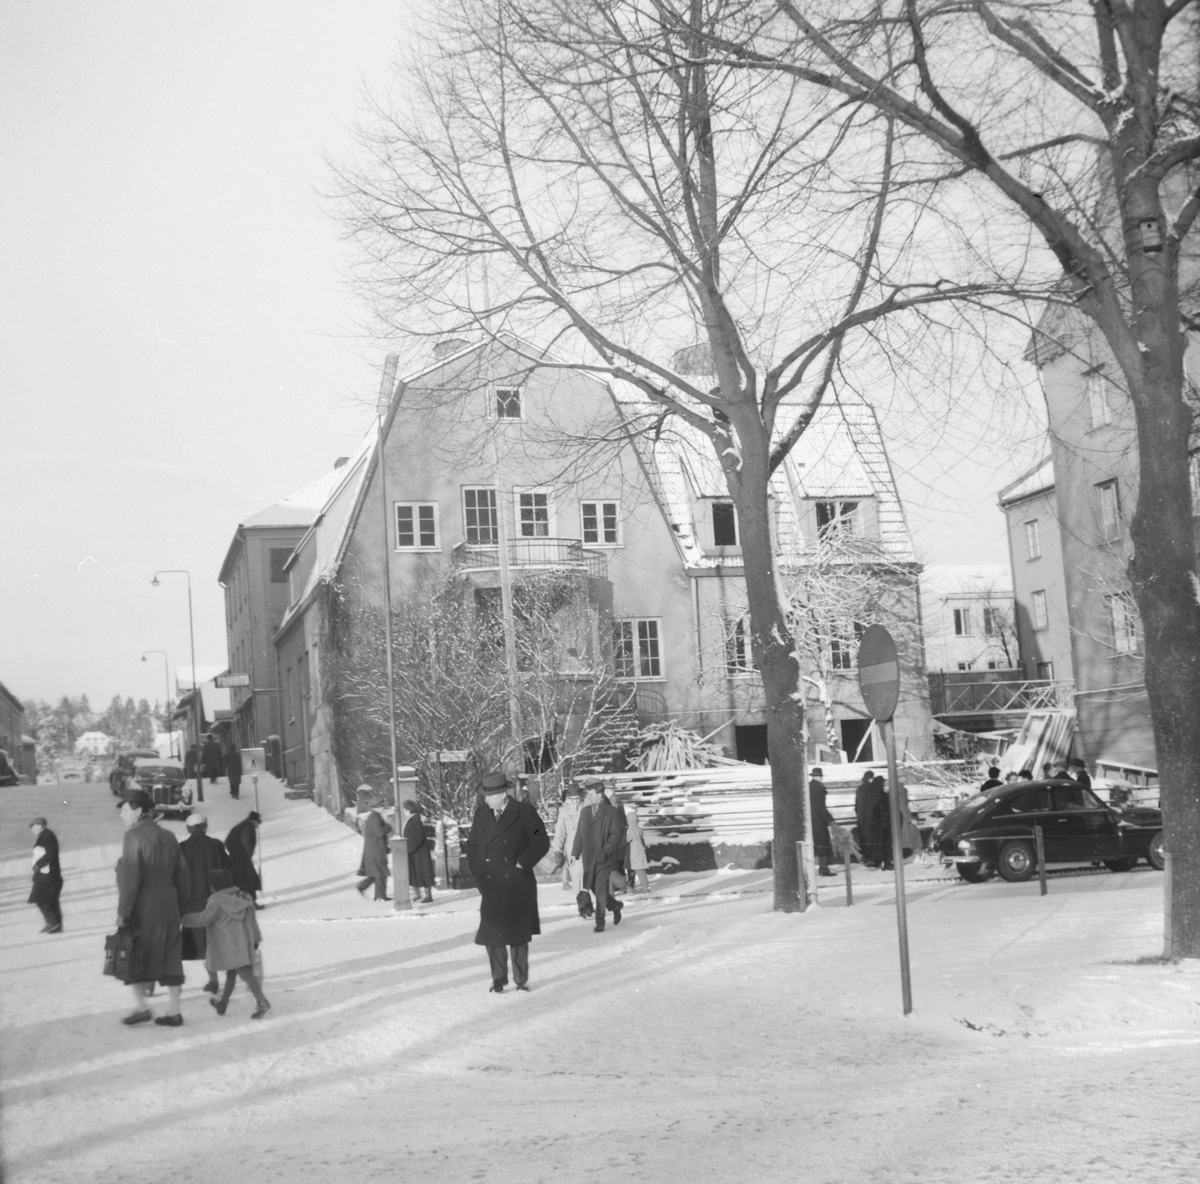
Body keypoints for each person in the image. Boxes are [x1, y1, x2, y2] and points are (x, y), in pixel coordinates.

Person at [464, 770, 550, 993]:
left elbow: (541, 840)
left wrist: (523, 861)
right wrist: (478, 872)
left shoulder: (525, 812)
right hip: (491, 883)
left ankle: (521, 979)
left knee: (518, 935)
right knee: (492, 935)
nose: (486, 800)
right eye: (485, 796)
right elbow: (472, 846)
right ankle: (498, 978)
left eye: (490, 796)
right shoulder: (481, 814)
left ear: (503, 794)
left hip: (517, 884)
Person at [115, 790, 190, 1027]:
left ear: (138, 811)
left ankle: (142, 1007)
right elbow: (182, 874)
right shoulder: (169, 836)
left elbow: (131, 879)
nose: (121, 815)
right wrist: (182, 906)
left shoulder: (133, 836)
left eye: (125, 810)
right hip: (169, 900)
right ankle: (174, 1011)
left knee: (134, 951)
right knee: (171, 952)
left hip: (143, 903)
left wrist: (123, 912)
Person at [182, 868, 270, 1019]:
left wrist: (184, 919)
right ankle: (222, 1002)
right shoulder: (244, 896)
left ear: (214, 886)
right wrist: (255, 939)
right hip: (245, 942)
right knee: (232, 973)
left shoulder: (217, 901)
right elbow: (252, 919)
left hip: (230, 944)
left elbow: (204, 918)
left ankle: (263, 1002)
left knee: (246, 974)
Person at [178, 813, 232, 993]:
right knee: (222, 941)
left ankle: (213, 979)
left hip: (193, 904)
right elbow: (229, 868)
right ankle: (231, 977)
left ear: (188, 829)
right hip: (218, 901)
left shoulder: (182, 848)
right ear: (205, 826)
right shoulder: (216, 845)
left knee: (202, 944)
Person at [572, 782, 625, 932]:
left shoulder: (611, 812)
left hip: (603, 857)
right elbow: (580, 833)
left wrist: (606, 849)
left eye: (591, 794)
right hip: (588, 858)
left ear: (599, 795)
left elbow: (616, 834)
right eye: (587, 794)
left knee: (600, 889)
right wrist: (575, 853)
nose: (588, 797)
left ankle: (600, 921)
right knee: (594, 889)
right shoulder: (585, 811)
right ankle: (615, 906)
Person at [550, 783, 590, 918]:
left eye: (577, 798)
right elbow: (560, 832)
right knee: (577, 877)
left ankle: (587, 905)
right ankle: (583, 907)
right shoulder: (565, 811)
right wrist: (557, 850)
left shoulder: (588, 807)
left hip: (588, 847)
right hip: (573, 849)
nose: (576, 801)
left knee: (587, 877)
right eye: (573, 799)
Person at [28, 817, 63, 933]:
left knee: (41, 898)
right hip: (49, 874)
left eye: (33, 828)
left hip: (48, 875)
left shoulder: (47, 837)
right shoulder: (46, 836)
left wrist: (38, 865)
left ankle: (53, 922)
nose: (32, 831)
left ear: (39, 826)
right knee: (50, 900)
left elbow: (50, 854)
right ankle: (56, 924)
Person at [225, 811, 263, 906]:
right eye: (257, 823)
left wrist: (234, 852)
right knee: (248, 881)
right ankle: (250, 903)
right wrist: (247, 855)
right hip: (243, 858)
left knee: (239, 881)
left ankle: (241, 903)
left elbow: (227, 842)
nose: (257, 826)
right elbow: (247, 841)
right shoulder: (249, 827)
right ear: (254, 821)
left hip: (234, 857)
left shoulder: (240, 826)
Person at [355, 807, 391, 901]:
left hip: (374, 850)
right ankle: (380, 896)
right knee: (381, 873)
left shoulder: (374, 816)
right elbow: (379, 832)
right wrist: (388, 826)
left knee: (376, 873)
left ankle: (363, 886)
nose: (384, 808)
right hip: (376, 851)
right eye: (382, 806)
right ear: (377, 807)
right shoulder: (375, 818)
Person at [403, 799, 435, 904]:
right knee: (416, 873)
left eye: (404, 809)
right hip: (416, 853)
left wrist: (409, 849)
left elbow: (417, 838)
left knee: (424, 873)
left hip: (419, 853)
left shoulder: (414, 821)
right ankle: (418, 894)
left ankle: (428, 895)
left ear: (408, 810)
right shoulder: (413, 820)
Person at [808, 769, 835, 877]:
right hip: (819, 821)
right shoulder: (820, 787)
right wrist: (830, 820)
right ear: (820, 777)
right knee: (824, 843)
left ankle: (817, 869)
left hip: (809, 820)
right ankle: (824, 869)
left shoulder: (808, 786)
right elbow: (820, 806)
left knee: (814, 845)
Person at [854, 771, 883, 868]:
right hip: (871, 818)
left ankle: (866, 858)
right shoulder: (872, 788)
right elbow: (876, 803)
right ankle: (872, 859)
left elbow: (856, 806)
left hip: (861, 818)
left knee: (863, 838)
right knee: (872, 839)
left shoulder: (859, 789)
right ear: (870, 778)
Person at [624, 801, 650, 892]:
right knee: (641, 871)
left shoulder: (629, 831)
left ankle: (632, 887)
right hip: (640, 853)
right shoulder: (639, 829)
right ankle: (645, 886)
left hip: (632, 854)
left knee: (632, 871)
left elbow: (626, 840)